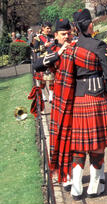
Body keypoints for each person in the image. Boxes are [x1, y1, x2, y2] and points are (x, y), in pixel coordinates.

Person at [49, 9, 107, 201]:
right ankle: (95, 186)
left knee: (78, 146)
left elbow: (65, 74)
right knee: (97, 145)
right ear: (88, 24)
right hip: (96, 98)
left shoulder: (71, 47)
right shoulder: (98, 45)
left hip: (78, 99)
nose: (93, 24)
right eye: (91, 22)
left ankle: (77, 188)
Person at [32, 19, 73, 190]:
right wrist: (59, 53)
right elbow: (37, 65)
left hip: (77, 99)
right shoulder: (53, 49)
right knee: (60, 140)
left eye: (69, 33)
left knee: (75, 140)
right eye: (64, 34)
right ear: (56, 35)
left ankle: (79, 174)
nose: (67, 36)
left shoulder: (76, 46)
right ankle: (65, 175)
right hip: (60, 100)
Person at [32, 22, 55, 102]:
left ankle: (51, 96)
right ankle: (43, 95)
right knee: (43, 80)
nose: (49, 30)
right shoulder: (38, 38)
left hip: (51, 59)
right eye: (47, 28)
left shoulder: (53, 37)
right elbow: (35, 50)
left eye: (50, 28)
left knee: (52, 79)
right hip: (43, 61)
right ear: (43, 28)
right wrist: (44, 46)